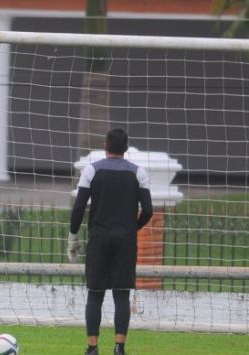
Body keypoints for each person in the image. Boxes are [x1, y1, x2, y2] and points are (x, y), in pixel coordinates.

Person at [68, 128, 153, 355]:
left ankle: (93, 348)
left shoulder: (92, 170)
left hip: (99, 239)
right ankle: (119, 347)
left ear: (106, 146)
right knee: (122, 294)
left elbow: (79, 206)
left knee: (95, 293)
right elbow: (148, 210)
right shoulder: (139, 173)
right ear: (125, 148)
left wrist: (73, 236)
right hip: (125, 241)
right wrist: (132, 228)